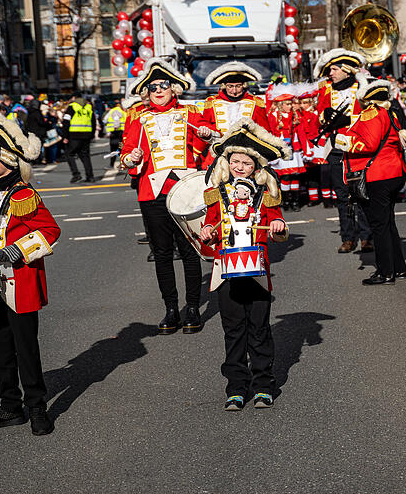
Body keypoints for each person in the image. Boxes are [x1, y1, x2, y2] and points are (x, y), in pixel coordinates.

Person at [0, 109, 60, 436]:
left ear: (7, 159)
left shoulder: (23, 194)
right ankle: (9, 406)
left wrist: (17, 250)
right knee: (1, 347)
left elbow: (50, 231)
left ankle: (37, 408)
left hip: (21, 281)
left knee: (26, 348)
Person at [197, 119, 289, 411]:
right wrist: (207, 231)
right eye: (235, 161)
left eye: (246, 163)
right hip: (226, 272)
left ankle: (263, 385)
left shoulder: (267, 194)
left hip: (257, 270)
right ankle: (236, 387)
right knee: (233, 329)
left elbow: (279, 227)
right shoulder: (217, 194)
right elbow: (209, 229)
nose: (240, 166)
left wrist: (278, 225)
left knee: (259, 328)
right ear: (227, 162)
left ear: (255, 166)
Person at [120, 58, 209, 333]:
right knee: (162, 253)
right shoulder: (139, 120)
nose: (158, 90)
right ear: (147, 92)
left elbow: (210, 140)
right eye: (153, 86)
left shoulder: (191, 114)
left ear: (174, 89)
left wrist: (206, 134)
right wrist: (131, 158)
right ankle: (171, 309)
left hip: (186, 192)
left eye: (164, 85)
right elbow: (126, 156)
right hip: (152, 192)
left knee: (190, 251)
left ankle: (192, 307)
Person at [335, 79, 406, 285]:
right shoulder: (390, 112)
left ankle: (385, 272)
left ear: (368, 100)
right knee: (388, 223)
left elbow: (368, 143)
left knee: (379, 225)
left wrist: (342, 141)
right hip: (393, 171)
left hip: (378, 175)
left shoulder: (372, 113)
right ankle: (398, 268)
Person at [314, 48, 372, 254]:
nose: (330, 73)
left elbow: (370, 114)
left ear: (346, 70)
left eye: (334, 69)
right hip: (336, 147)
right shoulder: (326, 90)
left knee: (362, 193)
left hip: (358, 148)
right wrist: (325, 115)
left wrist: (348, 120)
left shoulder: (363, 86)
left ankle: (366, 237)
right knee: (342, 196)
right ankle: (348, 238)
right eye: (330, 69)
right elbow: (319, 117)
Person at [62, 95, 96, 184]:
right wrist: (92, 135)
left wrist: (65, 136)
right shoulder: (89, 107)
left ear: (74, 98)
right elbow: (93, 122)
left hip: (74, 135)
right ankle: (90, 176)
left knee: (69, 154)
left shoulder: (72, 107)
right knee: (85, 156)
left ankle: (76, 174)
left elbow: (66, 121)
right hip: (87, 135)